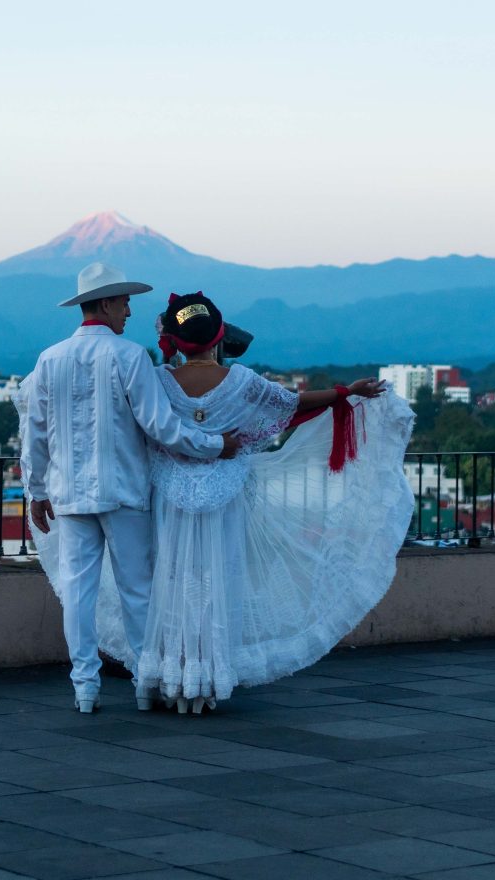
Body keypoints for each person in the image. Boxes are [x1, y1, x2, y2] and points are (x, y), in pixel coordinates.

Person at [90, 291, 415, 713]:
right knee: (218, 582)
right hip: (226, 496)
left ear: (172, 339)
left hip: (171, 496)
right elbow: (292, 406)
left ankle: (171, 673)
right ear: (218, 337)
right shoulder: (241, 381)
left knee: (170, 580)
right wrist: (344, 392)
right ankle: (207, 678)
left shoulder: (158, 380)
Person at [13, 265, 238, 713]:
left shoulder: (49, 359)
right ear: (107, 303)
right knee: (138, 589)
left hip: (70, 494)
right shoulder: (130, 356)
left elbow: (33, 434)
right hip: (124, 491)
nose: (129, 311)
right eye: (124, 302)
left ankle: (84, 687)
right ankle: (143, 680)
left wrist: (35, 490)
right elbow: (160, 426)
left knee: (78, 592)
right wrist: (214, 445)